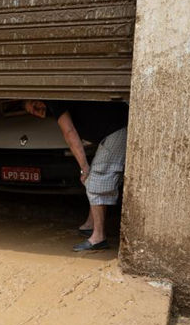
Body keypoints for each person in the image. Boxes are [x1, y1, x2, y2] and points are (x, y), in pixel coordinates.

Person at [23, 99, 129, 251]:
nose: (36, 110)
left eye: (34, 105)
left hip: (118, 129)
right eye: (31, 111)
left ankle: (98, 238)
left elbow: (69, 132)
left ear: (39, 98)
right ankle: (90, 225)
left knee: (95, 179)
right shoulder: (55, 105)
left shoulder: (54, 101)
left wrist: (84, 167)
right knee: (96, 177)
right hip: (117, 126)